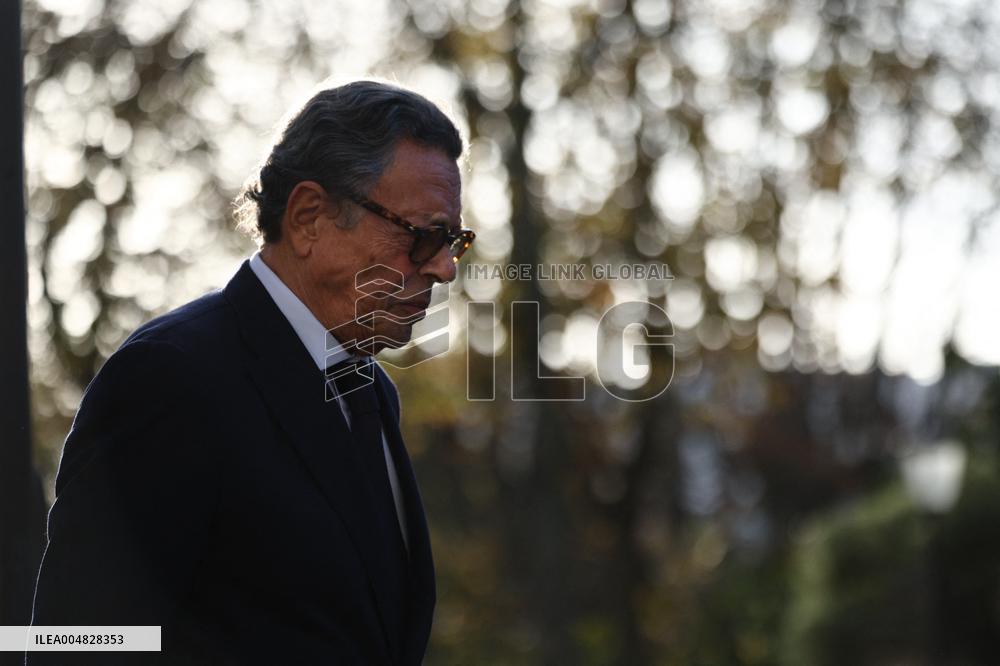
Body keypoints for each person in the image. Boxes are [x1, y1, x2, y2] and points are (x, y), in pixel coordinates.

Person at [29, 80, 474, 665]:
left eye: (453, 242)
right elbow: (72, 641)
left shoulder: (371, 391)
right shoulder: (172, 377)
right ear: (309, 216)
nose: (443, 268)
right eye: (421, 237)